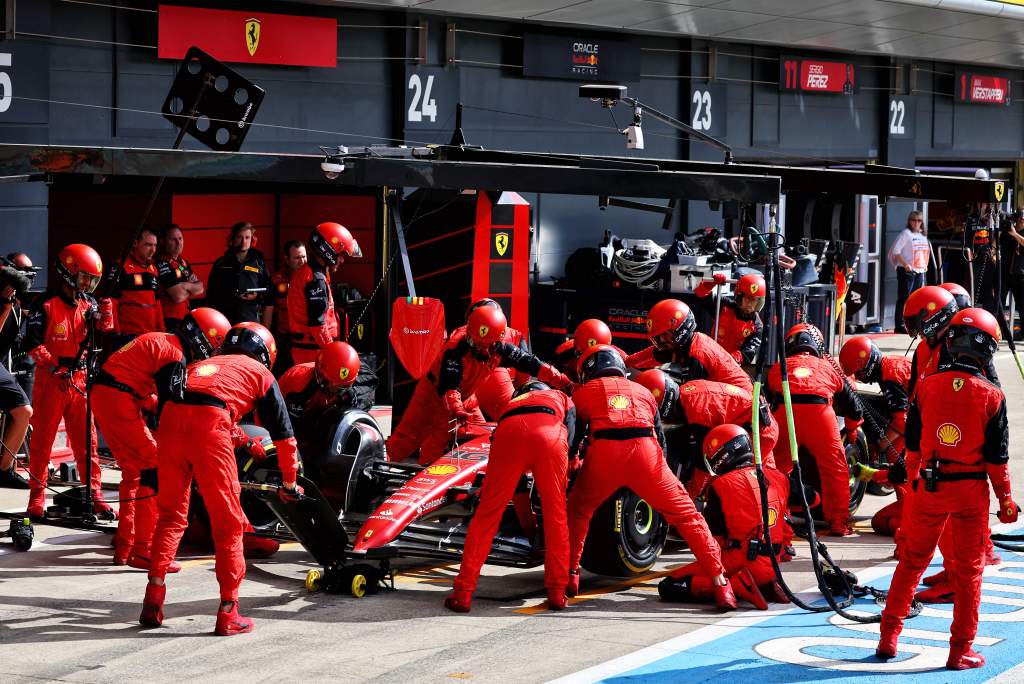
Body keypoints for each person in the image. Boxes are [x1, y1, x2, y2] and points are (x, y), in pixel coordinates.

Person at [876, 307, 1017, 671]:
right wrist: (1005, 499)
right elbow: (996, 459)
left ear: (952, 343)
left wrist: (913, 481)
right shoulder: (992, 397)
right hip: (969, 490)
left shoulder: (926, 386)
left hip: (928, 486)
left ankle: (888, 637)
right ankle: (960, 651)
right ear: (987, 349)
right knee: (969, 573)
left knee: (911, 563)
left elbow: (911, 445)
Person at [140, 322, 300, 636]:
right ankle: (229, 611)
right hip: (210, 429)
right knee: (228, 525)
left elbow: (202, 404)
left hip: (171, 423)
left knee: (171, 516)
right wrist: (291, 481)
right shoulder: (261, 374)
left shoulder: (201, 365)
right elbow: (284, 436)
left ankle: (153, 596)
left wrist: (242, 440)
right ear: (264, 354)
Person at [565, 345, 734, 610]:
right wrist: (662, 475)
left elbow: (574, 439)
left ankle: (570, 575)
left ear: (588, 371)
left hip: (605, 455)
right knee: (688, 516)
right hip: (646, 454)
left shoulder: (583, 393)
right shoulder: (644, 392)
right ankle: (720, 581)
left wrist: (573, 467)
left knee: (577, 512)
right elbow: (661, 439)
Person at [93, 307, 231, 568]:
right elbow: (172, 408)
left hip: (111, 395)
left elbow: (142, 383)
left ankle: (125, 544)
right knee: (154, 467)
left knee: (133, 472)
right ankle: (144, 550)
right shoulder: (174, 355)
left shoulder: (163, 340)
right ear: (203, 339)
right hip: (119, 400)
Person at [445, 380, 572, 613]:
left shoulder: (511, 405)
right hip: (550, 435)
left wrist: (527, 523)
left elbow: (517, 485)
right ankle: (557, 593)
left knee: (486, 517)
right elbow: (572, 434)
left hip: (507, 434)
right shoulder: (560, 397)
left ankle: (462, 594)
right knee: (556, 515)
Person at [386, 306, 570, 465]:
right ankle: (385, 475)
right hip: (435, 396)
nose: (481, 350)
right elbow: (450, 385)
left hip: (466, 399)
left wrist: (564, 381)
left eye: (487, 346)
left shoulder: (503, 347)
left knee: (483, 439)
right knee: (408, 439)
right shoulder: (456, 347)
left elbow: (532, 363)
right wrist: (456, 409)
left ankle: (479, 483)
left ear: (498, 341)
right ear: (469, 335)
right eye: (476, 344)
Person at [659, 424, 792, 609]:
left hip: (742, 561)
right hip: (773, 563)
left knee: (668, 585)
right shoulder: (779, 477)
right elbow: (810, 502)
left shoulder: (720, 485)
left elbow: (716, 538)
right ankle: (765, 584)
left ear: (720, 455)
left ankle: (736, 586)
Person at [25, 244, 115, 518]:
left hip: (80, 379)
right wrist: (53, 367)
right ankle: (36, 498)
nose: (88, 284)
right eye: (84, 277)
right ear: (68, 271)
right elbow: (32, 343)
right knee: (42, 441)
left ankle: (95, 494)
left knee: (87, 442)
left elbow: (104, 330)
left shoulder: (90, 303)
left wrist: (107, 313)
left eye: (92, 279)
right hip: (52, 380)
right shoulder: (46, 304)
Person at [767, 323, 864, 537]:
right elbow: (854, 405)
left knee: (775, 470)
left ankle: (779, 520)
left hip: (785, 413)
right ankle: (838, 522)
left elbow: (765, 402)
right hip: (820, 414)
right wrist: (853, 430)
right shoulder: (829, 367)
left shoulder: (779, 366)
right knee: (835, 469)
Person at [637, 371, 779, 474]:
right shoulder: (688, 389)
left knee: (737, 478)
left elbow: (708, 462)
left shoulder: (696, 413)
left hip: (759, 434)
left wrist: (690, 496)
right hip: (757, 422)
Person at [627, 299, 752, 390]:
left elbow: (692, 397)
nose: (662, 340)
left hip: (740, 400)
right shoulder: (683, 344)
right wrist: (626, 362)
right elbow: (651, 355)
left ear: (680, 328)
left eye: (665, 334)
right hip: (734, 394)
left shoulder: (697, 353)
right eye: (658, 337)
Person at [288, 223, 361, 365]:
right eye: (340, 255)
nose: (342, 260)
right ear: (329, 251)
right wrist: (333, 351)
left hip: (307, 349)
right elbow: (317, 324)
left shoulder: (308, 272)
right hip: (313, 353)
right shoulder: (315, 279)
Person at [457, 298, 530, 420]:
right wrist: (519, 389)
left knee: (473, 429)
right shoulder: (514, 334)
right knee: (513, 421)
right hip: (496, 381)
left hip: (466, 385)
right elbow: (525, 370)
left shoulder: (459, 333)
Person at [0, 253, 35, 488]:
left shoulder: (16, 302)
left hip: (2, 366)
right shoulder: (4, 300)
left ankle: (3, 470)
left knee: (24, 412)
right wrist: (4, 303)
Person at [277, 341, 360, 437]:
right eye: (327, 382)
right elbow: (287, 425)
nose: (332, 389)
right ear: (318, 370)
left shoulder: (348, 394)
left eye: (340, 386)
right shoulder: (297, 383)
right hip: (288, 419)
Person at [206, 222, 272, 325]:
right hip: (224, 321)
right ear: (232, 239)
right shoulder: (221, 263)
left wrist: (257, 296)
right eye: (239, 237)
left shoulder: (259, 264)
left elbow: (269, 293)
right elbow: (211, 295)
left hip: (250, 320)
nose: (243, 241)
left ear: (252, 240)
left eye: (247, 237)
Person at [694, 272, 765, 365]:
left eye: (754, 300)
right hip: (711, 358)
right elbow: (701, 294)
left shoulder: (757, 326)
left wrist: (729, 359)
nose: (750, 304)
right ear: (740, 296)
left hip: (732, 366)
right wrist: (711, 284)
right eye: (747, 298)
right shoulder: (724, 306)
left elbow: (748, 353)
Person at [108, 227, 163, 341]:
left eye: (155, 245)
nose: (153, 250)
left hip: (151, 337)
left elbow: (157, 304)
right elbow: (111, 303)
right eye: (148, 245)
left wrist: (162, 332)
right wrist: (116, 334)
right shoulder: (119, 266)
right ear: (135, 243)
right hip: (127, 337)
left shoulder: (153, 269)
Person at [267, 240, 306, 374]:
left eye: (303, 256)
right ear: (287, 259)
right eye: (297, 258)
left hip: (306, 340)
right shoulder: (276, 280)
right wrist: (265, 337)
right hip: (283, 338)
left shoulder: (315, 279)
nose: (302, 261)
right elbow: (268, 308)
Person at [155, 224, 204, 331]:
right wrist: (191, 287)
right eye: (173, 239)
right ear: (163, 242)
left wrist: (184, 285)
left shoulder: (183, 263)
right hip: (169, 320)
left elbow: (200, 288)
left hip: (185, 318)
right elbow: (178, 296)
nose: (178, 243)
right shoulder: (161, 263)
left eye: (180, 238)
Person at [889, 210, 930, 334]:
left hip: (919, 271)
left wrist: (925, 265)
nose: (916, 223)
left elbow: (924, 252)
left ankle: (913, 324)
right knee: (904, 299)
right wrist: (905, 264)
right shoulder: (905, 234)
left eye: (919, 220)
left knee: (916, 299)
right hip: (907, 271)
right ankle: (899, 324)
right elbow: (895, 251)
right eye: (913, 220)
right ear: (909, 221)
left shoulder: (922, 235)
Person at [1006, 214, 1024, 339]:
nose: (1020, 221)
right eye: (1019, 219)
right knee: (998, 303)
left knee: (1022, 307)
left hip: (1021, 275)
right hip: (1007, 274)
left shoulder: (1015, 234)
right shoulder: (1008, 232)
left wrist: (1015, 234)